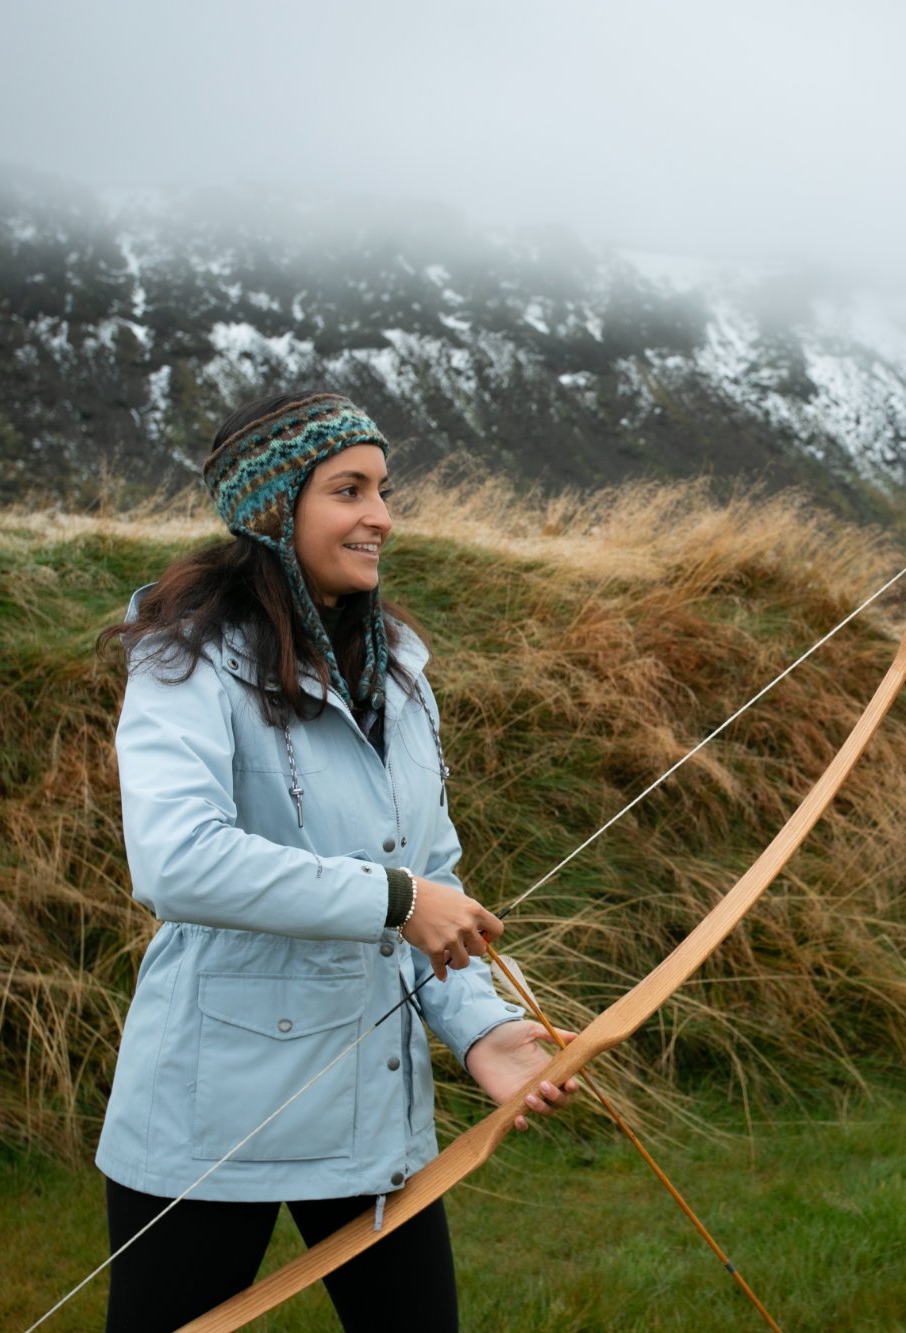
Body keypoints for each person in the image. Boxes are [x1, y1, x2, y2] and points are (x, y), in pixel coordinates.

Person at [94, 389, 575, 1332]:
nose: (381, 517)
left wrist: (483, 1027)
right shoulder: (183, 655)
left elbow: (432, 873)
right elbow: (177, 860)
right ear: (275, 506)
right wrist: (394, 899)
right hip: (209, 1112)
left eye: (384, 489)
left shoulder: (396, 668)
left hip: (372, 1113)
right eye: (348, 489)